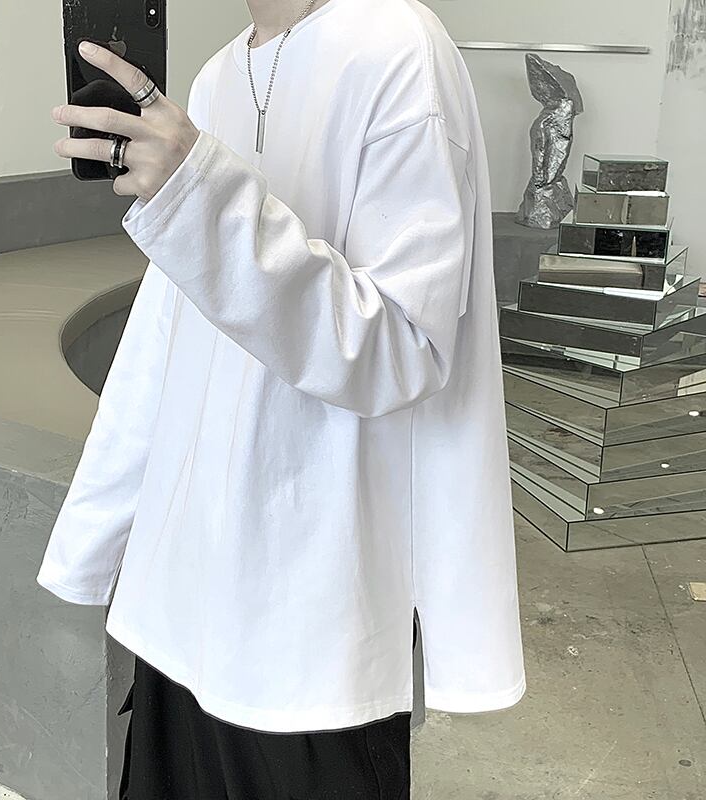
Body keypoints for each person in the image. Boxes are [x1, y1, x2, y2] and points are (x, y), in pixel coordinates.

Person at [38, 0, 526, 797]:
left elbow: (401, 346)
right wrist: (96, 538)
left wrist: (200, 197)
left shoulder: (397, 45)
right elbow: (165, 337)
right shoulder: (216, 76)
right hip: (181, 609)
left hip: (311, 624)